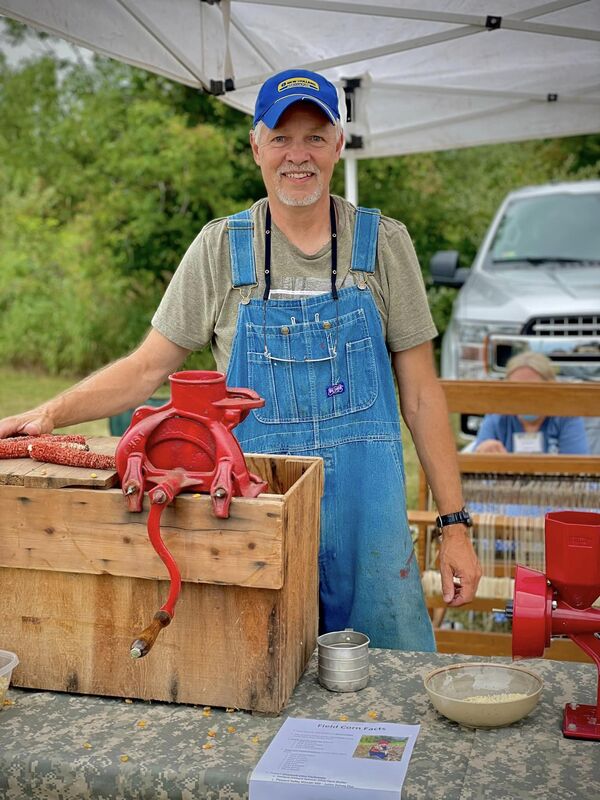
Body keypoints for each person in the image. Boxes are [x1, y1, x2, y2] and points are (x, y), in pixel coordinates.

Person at [0, 69, 481, 650]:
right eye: (280, 138)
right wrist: (51, 413)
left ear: (339, 145)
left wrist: (455, 527)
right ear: (256, 146)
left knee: (385, 695)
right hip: (255, 514)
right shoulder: (221, 248)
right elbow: (148, 367)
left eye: (314, 136)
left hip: (369, 524)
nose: (296, 155)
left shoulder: (382, 245)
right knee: (261, 681)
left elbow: (424, 395)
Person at [474, 351, 589, 455]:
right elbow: (474, 467)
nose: (524, 397)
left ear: (551, 387)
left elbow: (578, 470)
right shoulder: (497, 416)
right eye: (516, 390)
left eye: (532, 389)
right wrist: (483, 453)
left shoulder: (566, 417)